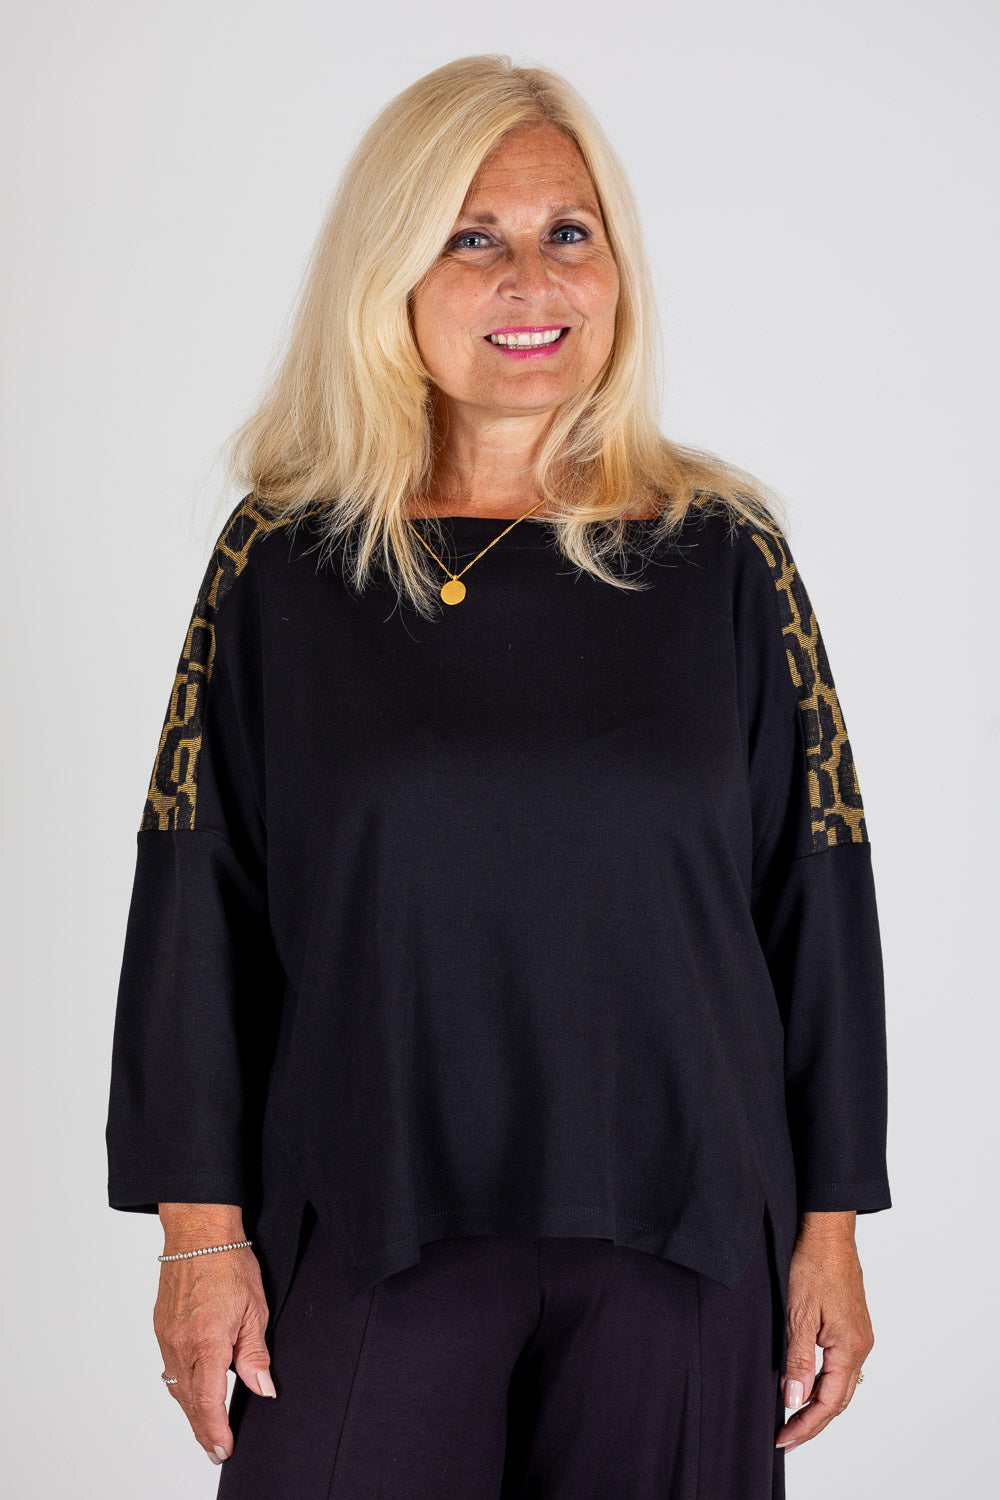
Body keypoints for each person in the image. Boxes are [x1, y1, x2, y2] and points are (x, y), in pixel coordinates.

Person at [105, 54, 891, 1500]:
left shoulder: (724, 554)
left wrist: (831, 1230)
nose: (530, 280)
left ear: (617, 269)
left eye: (567, 233)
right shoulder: (288, 560)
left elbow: (816, 892)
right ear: (392, 272)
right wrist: (198, 1236)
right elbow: (197, 901)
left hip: (685, 1235)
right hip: (369, 1214)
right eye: (473, 237)